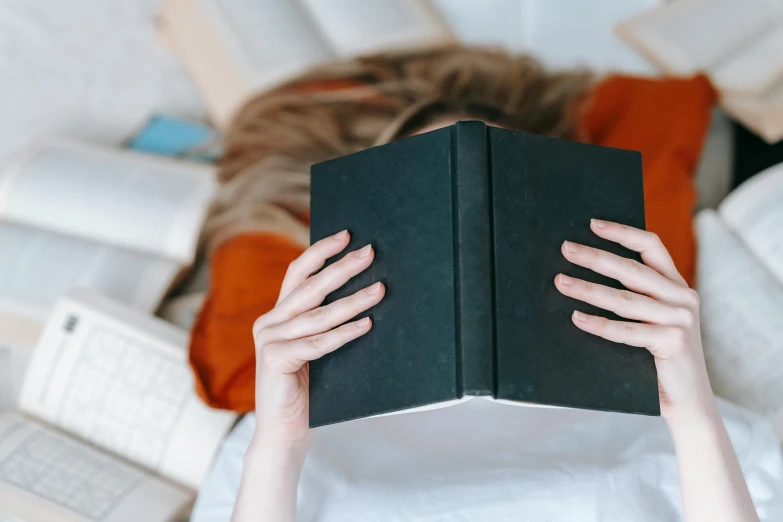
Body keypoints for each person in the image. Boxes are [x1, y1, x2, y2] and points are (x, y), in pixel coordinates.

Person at [190, 48, 783, 521]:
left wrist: (693, 417)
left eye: (495, 209)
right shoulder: (271, 437)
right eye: (428, 209)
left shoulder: (710, 427)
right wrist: (282, 443)